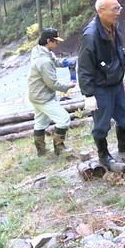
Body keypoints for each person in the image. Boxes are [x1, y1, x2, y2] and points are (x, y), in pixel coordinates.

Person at [78, 0, 125, 168]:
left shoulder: (114, 26)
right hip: (100, 87)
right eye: (115, 9)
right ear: (101, 11)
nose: (118, 12)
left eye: (119, 8)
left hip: (116, 82)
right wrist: (89, 94)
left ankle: (124, 145)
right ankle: (104, 156)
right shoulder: (91, 35)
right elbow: (84, 67)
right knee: (102, 124)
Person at [27, 28, 76, 156]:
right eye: (55, 41)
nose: (57, 44)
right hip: (42, 96)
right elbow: (52, 84)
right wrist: (67, 87)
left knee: (40, 122)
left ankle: (41, 151)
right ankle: (59, 148)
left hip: (35, 94)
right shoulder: (43, 61)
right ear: (49, 41)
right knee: (64, 119)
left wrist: (65, 62)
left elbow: (54, 61)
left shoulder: (41, 51)